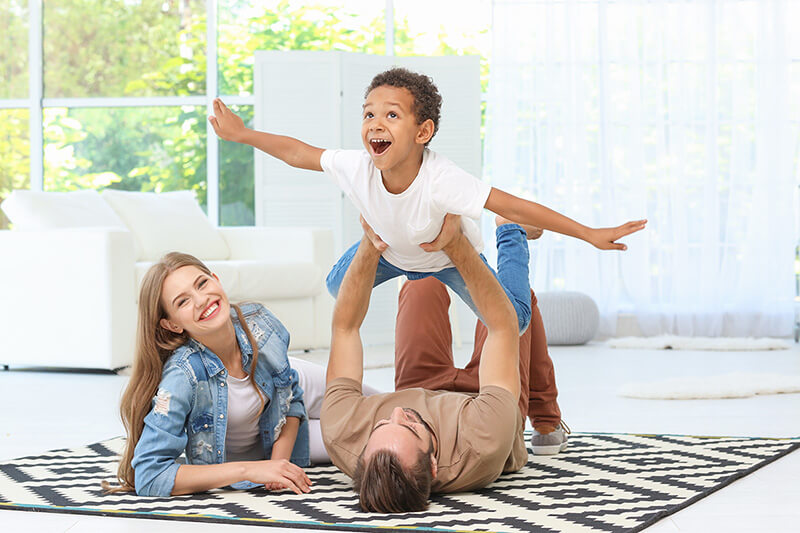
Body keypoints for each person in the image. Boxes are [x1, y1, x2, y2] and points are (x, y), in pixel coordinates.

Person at [208, 67, 646, 333]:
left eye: (391, 115)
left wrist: (589, 233)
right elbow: (299, 153)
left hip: (445, 259)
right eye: (369, 113)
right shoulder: (357, 165)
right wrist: (242, 134)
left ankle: (510, 240)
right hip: (393, 253)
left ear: (423, 133)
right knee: (337, 288)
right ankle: (379, 245)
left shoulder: (441, 180)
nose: (375, 123)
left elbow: (509, 202)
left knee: (514, 322)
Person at [320, 214, 547, 513]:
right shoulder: (483, 440)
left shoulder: (342, 431)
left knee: (421, 283)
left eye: (384, 423)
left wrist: (373, 239)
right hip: (489, 398)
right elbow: (500, 326)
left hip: (421, 385)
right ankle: (512, 231)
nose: (398, 412)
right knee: (516, 315)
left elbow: (345, 327)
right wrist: (455, 243)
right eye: (410, 427)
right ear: (433, 465)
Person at [106, 252, 379, 497]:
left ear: (216, 280)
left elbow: (292, 397)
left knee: (383, 408)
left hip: (296, 387)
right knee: (370, 444)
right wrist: (250, 470)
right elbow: (149, 475)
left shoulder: (260, 325)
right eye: (183, 301)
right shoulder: (183, 377)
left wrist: (275, 464)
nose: (202, 300)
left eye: (202, 284)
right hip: (271, 438)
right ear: (172, 324)